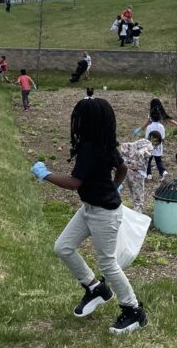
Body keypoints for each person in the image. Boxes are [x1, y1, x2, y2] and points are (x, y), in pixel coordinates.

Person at [32, 97, 148, 334]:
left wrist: (46, 175)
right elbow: (122, 168)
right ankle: (95, 288)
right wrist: (114, 186)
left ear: (85, 122)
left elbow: (75, 182)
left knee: (107, 263)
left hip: (104, 213)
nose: (75, 122)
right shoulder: (103, 143)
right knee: (62, 247)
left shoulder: (89, 148)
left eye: (78, 118)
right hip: (90, 208)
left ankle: (133, 310)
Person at [119, 136, 154, 213]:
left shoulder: (139, 143)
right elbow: (144, 155)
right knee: (138, 195)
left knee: (134, 193)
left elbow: (124, 147)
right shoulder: (148, 145)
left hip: (129, 171)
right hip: (138, 173)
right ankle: (137, 213)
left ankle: (136, 210)